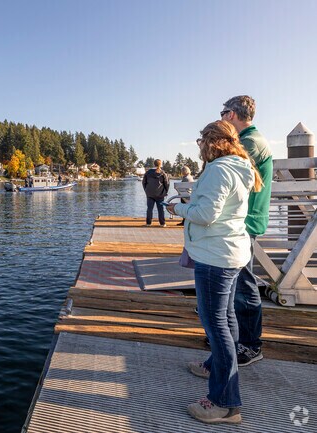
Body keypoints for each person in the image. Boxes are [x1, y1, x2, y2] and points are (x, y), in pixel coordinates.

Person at [167, 120, 262, 424]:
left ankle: (225, 402)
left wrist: (178, 209)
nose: (199, 148)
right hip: (233, 252)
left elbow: (206, 215)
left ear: (211, 142)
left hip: (215, 257)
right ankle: (214, 367)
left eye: (201, 143)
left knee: (215, 326)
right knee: (227, 318)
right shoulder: (241, 166)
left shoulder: (219, 169)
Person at [221, 95, 272, 366]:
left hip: (245, 221)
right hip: (244, 220)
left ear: (232, 115)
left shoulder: (249, 143)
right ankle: (232, 336)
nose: (221, 116)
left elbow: (229, 175)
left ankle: (250, 344)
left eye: (223, 112)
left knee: (243, 284)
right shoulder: (251, 140)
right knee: (234, 282)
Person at [142, 159, 169, 226]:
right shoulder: (163, 173)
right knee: (160, 209)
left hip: (150, 194)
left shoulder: (148, 172)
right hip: (160, 194)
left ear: (154, 164)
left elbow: (144, 182)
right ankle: (162, 223)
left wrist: (146, 190)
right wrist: (165, 191)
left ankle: (148, 223)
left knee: (149, 209)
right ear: (160, 164)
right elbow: (167, 183)